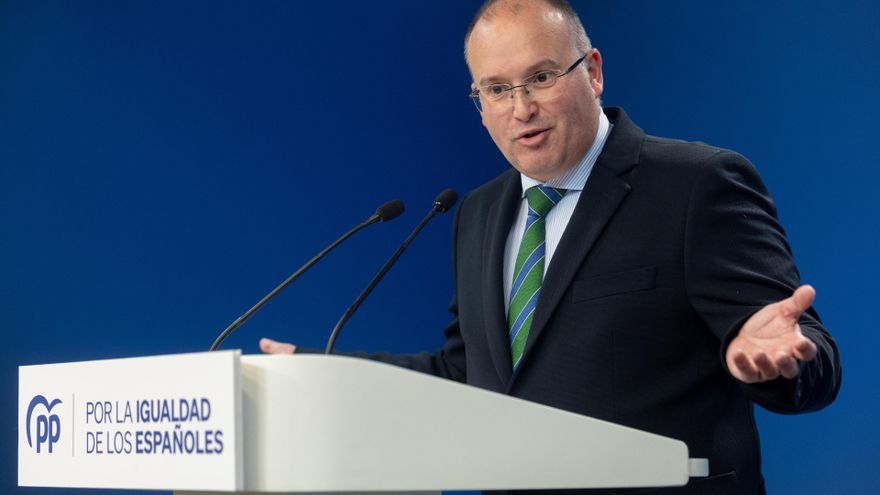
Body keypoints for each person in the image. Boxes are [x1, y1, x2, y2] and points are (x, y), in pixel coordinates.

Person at [261, 1, 841, 493]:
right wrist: (327, 377)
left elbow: (811, 360)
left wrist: (775, 363)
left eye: (541, 77)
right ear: (479, 101)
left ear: (593, 72)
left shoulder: (695, 185)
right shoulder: (477, 214)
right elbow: (468, 375)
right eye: (497, 89)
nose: (521, 109)